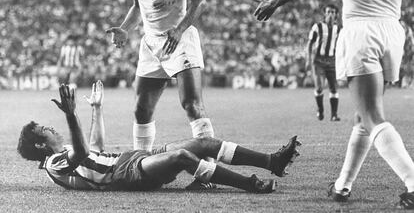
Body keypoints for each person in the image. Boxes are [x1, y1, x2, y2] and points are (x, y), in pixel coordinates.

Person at [252, 0, 414, 208]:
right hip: (393, 31)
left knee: (372, 116)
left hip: (360, 31)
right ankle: (342, 186)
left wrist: (274, 2)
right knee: (364, 119)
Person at [17, 82, 301, 193]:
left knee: (204, 144)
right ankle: (250, 185)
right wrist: (70, 115)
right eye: (43, 129)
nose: (49, 128)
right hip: (123, 176)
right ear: (40, 144)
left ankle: (272, 161)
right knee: (181, 157)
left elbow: (94, 148)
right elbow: (81, 155)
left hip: (129, 159)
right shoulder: (54, 165)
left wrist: (97, 109)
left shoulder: (62, 152)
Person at [105, 0, 216, 189]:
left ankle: (208, 174)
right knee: (141, 109)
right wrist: (124, 28)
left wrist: (179, 30)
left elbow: (200, 0)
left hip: (179, 40)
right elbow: (137, 6)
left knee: (191, 104)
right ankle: (138, 169)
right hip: (151, 44)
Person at [306, 4, 341, 121]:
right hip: (319, 61)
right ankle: (320, 110)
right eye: (329, 12)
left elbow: (341, 45)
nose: (331, 14)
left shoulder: (339, 29)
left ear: (336, 15)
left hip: (332, 61)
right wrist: (308, 59)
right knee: (320, 87)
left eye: (333, 12)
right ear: (325, 14)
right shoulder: (318, 27)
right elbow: (310, 43)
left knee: (334, 88)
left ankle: (334, 115)